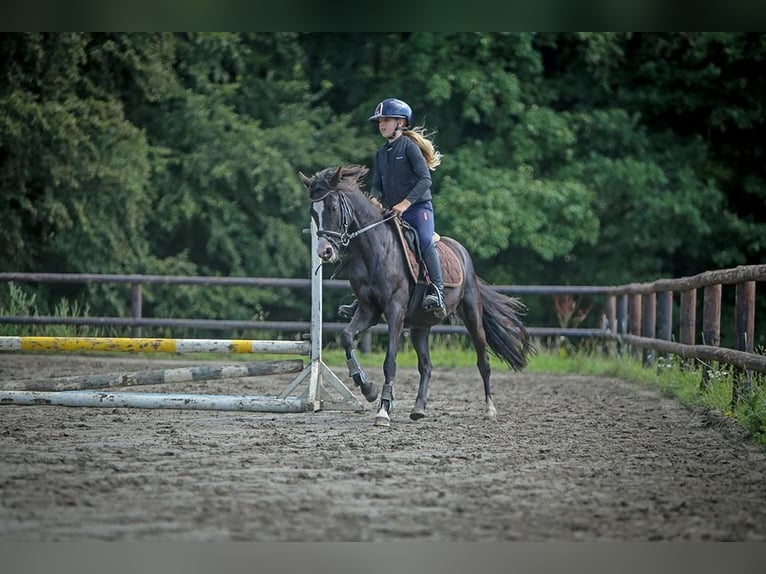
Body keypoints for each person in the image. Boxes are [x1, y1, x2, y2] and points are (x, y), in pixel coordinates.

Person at [338, 97, 447, 319]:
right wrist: (376, 199)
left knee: (425, 241)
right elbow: (377, 184)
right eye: (379, 122)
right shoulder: (381, 153)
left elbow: (425, 180)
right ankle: (362, 297)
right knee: (372, 243)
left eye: (386, 120)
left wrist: (406, 203)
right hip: (392, 211)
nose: (381, 125)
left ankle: (437, 291)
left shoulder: (410, 148)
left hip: (418, 209)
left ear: (401, 122)